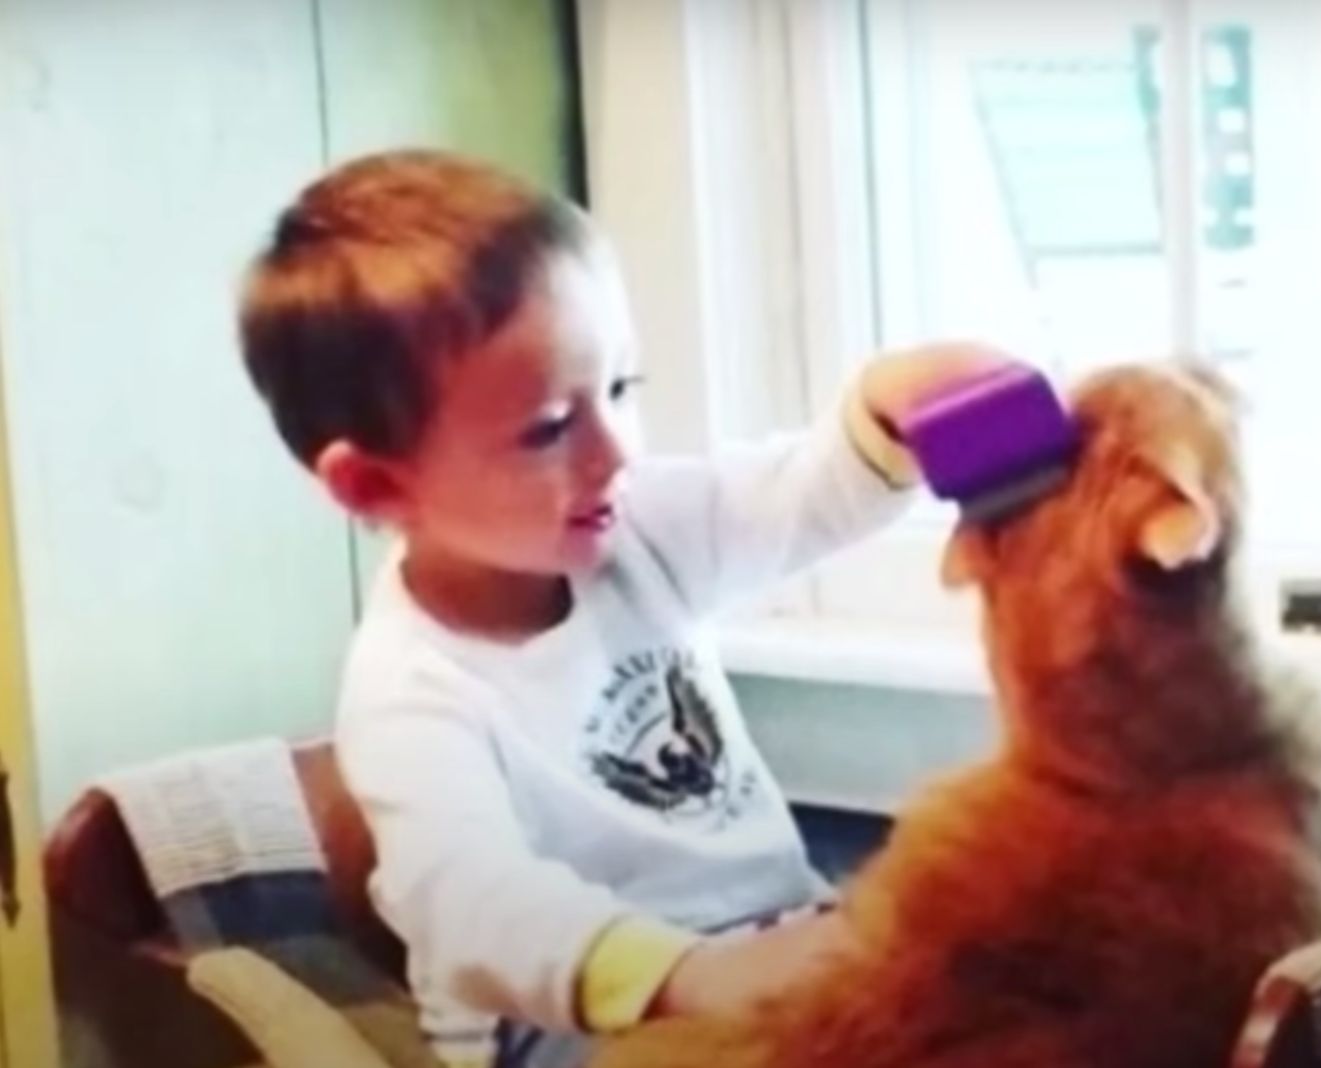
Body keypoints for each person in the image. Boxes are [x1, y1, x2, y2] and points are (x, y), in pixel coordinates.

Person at [237, 149, 1012, 1067]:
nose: (614, 453)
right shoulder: (411, 690)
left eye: (619, 390)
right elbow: (476, 905)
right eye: (550, 429)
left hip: (778, 940)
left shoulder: (631, 526)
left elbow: (792, 498)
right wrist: (689, 973)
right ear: (375, 483)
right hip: (571, 1027)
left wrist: (887, 416)